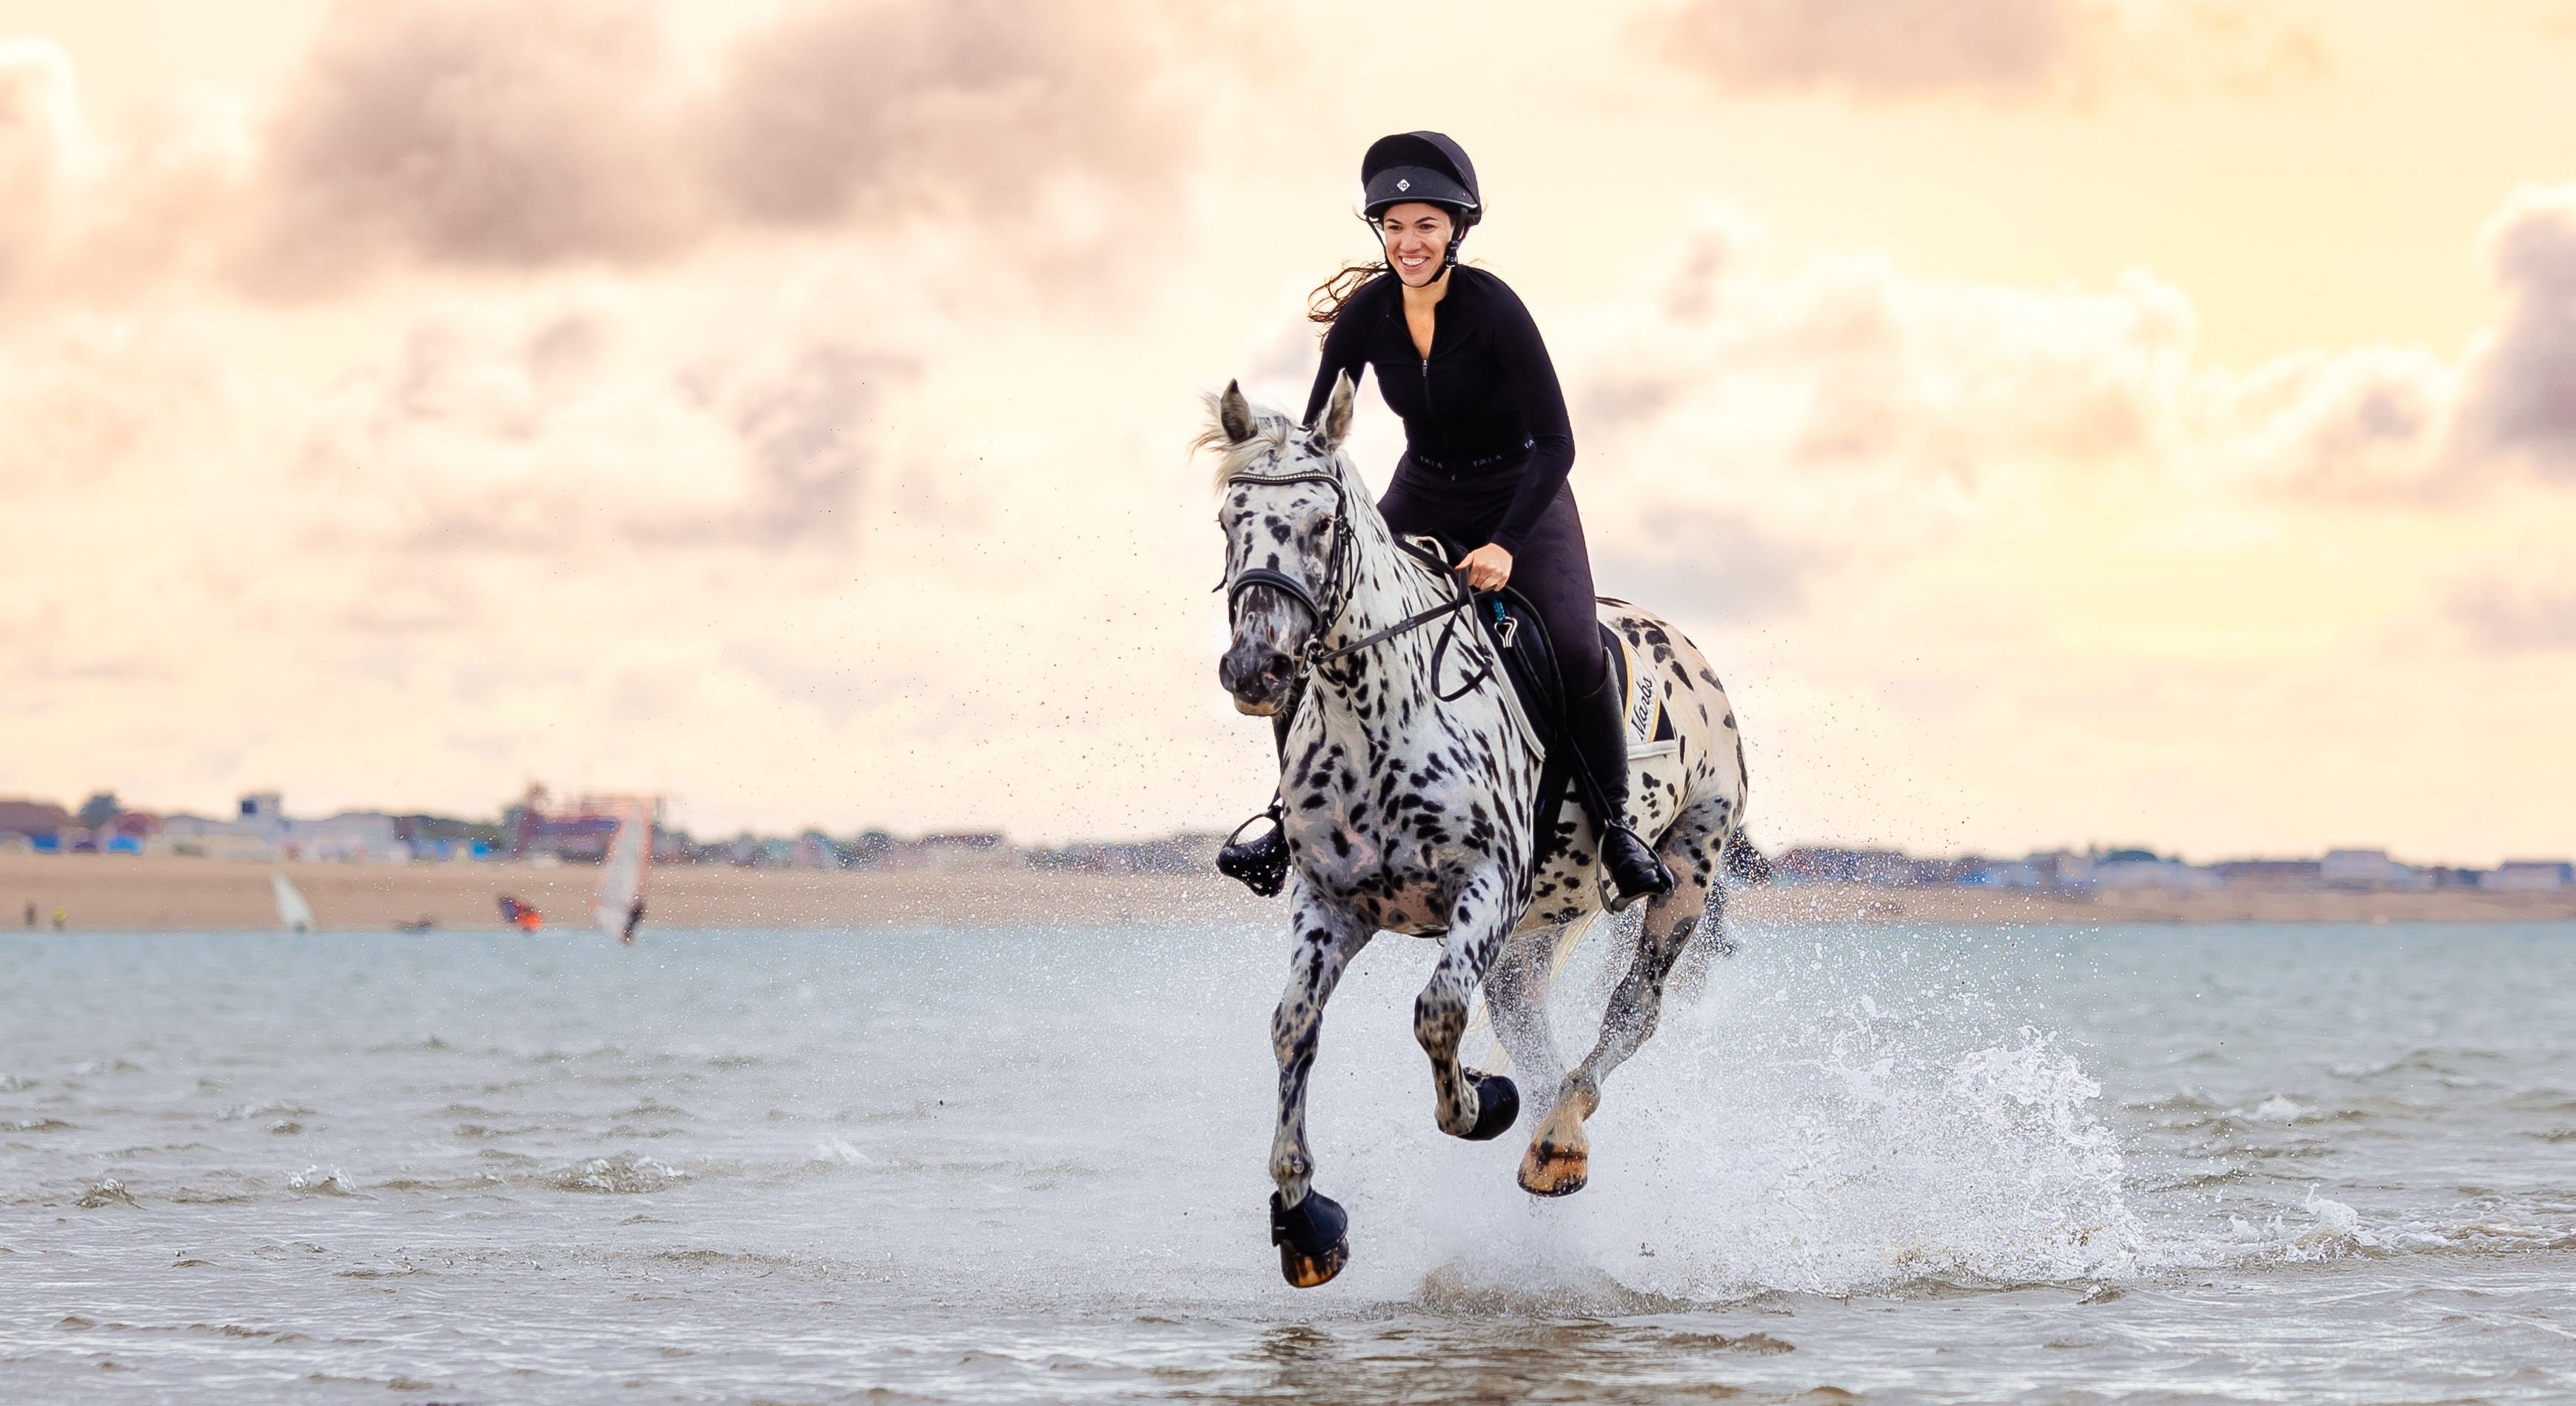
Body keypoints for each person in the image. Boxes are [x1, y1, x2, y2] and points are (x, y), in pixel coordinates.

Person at [1218, 131, 1674, 908]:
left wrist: (1504, 542)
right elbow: (1313, 439)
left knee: (1570, 643)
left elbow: (1557, 443)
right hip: (1423, 489)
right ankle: (1287, 811)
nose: (1407, 242)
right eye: (1393, 226)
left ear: (1456, 230)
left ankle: (1617, 825)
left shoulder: (1494, 310)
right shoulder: (1367, 314)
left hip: (1520, 491)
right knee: (1317, 623)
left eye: (1424, 226)